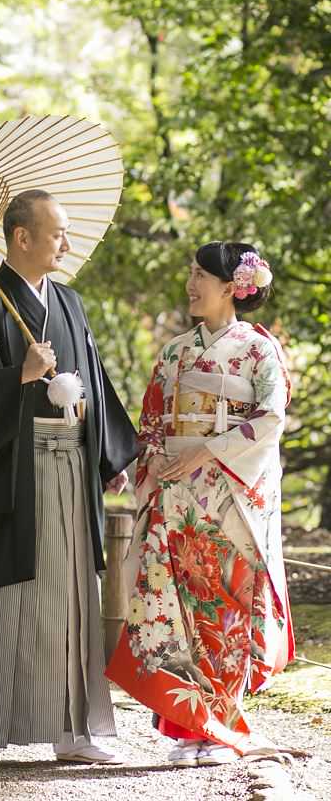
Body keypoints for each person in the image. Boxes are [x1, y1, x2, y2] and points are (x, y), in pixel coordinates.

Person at [0, 189, 138, 766]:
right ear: (21, 237)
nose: (67, 245)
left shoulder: (70, 303)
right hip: (12, 474)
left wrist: (110, 456)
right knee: (5, 596)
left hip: (72, 466)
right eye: (57, 234)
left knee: (74, 595)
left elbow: (95, 381)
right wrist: (16, 377)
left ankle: (73, 731)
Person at [105, 241, 294, 767]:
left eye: (200, 275)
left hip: (231, 498)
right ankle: (192, 730)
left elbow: (272, 417)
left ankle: (219, 730)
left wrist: (209, 450)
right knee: (178, 613)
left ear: (232, 287)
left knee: (224, 613)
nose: (191, 284)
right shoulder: (176, 352)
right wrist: (146, 467)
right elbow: (153, 421)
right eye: (190, 273)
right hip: (178, 500)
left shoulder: (259, 350)